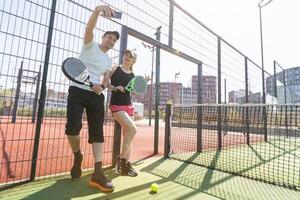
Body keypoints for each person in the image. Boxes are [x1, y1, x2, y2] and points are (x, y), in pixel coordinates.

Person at [65, 5, 119, 192]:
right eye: (109, 37)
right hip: (77, 91)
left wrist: (102, 87)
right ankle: (78, 155)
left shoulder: (108, 61)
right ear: (103, 38)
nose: (111, 41)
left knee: (97, 132)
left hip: (96, 96)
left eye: (114, 40)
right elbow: (89, 29)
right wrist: (97, 11)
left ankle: (97, 172)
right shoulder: (89, 45)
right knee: (72, 129)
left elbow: (106, 79)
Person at [108, 50, 149, 177]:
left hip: (128, 105)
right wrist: (115, 88)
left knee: (128, 136)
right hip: (116, 105)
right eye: (126, 55)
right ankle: (120, 160)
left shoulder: (132, 75)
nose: (127, 57)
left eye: (130, 57)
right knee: (132, 129)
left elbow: (134, 91)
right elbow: (105, 83)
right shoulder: (115, 68)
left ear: (133, 61)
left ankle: (125, 165)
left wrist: (144, 82)